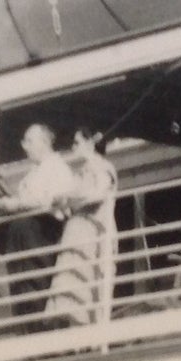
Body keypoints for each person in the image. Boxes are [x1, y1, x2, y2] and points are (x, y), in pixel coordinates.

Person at [0, 123, 76, 324]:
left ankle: (42, 333)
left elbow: (52, 201)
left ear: (45, 142)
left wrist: (16, 204)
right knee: (21, 287)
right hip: (25, 235)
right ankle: (27, 331)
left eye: (29, 141)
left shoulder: (58, 167)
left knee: (37, 285)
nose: (25, 146)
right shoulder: (34, 172)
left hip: (43, 233)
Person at [47, 128, 120, 327]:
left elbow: (97, 193)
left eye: (77, 142)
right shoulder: (80, 172)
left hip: (92, 235)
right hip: (76, 235)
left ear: (91, 143)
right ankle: (74, 338)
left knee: (90, 287)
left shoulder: (103, 167)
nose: (73, 147)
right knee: (73, 290)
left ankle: (91, 340)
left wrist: (69, 198)